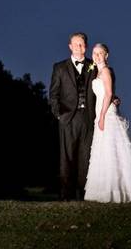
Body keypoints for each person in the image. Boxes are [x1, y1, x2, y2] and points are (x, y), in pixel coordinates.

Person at [83, 43, 131, 203]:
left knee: (112, 149)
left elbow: (107, 94)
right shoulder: (97, 71)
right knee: (104, 151)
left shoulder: (106, 71)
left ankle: (120, 192)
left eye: (100, 53)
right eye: (95, 53)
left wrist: (101, 116)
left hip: (106, 113)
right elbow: (109, 93)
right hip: (102, 111)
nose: (97, 55)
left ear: (106, 55)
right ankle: (104, 191)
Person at [49, 32, 96, 200]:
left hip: (88, 118)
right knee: (67, 158)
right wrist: (59, 115)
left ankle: (84, 196)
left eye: (82, 44)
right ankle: (65, 197)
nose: (79, 47)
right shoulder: (60, 67)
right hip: (68, 118)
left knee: (86, 158)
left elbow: (102, 89)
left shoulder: (94, 66)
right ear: (70, 46)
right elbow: (53, 95)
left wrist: (114, 98)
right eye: (76, 44)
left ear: (86, 46)